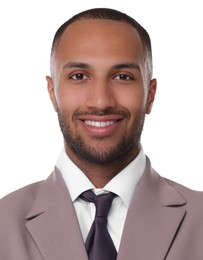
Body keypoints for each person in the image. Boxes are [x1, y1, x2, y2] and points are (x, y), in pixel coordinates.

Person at [0, 7, 203, 260]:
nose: (100, 102)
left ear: (150, 95)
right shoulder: (3, 222)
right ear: (52, 93)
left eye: (122, 76)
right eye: (79, 76)